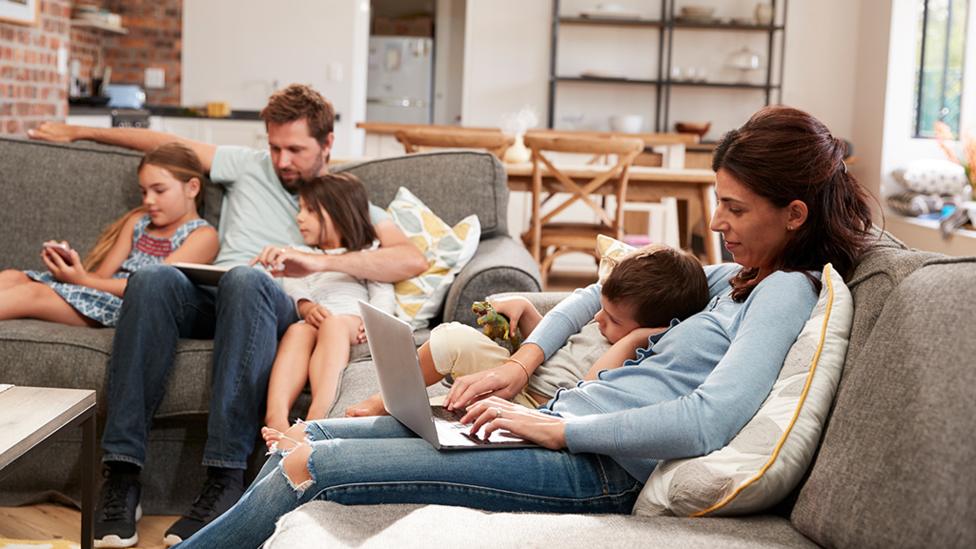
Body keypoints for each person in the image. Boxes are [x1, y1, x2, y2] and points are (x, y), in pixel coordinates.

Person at [172, 105, 875, 549]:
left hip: (596, 469)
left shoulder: (786, 290)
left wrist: (553, 426)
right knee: (316, 430)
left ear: (794, 213)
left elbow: (705, 421)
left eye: (735, 209)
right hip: (551, 427)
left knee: (311, 462)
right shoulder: (731, 278)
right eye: (718, 203)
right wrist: (517, 368)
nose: (717, 222)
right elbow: (595, 292)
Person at [28, 84, 427, 548]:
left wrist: (317, 262)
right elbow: (164, 146)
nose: (282, 161)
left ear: (327, 145)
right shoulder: (244, 164)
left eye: (295, 150)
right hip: (208, 293)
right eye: (275, 147)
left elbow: (409, 258)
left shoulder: (343, 199)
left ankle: (224, 479)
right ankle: (121, 473)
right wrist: (76, 131)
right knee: (155, 278)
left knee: (244, 279)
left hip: (270, 301)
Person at [343, 244, 708, 418]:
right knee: (452, 336)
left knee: (450, 384)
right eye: (602, 309)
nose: (599, 320)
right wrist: (529, 314)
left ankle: (402, 408)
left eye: (613, 321)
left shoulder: (636, 350)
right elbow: (556, 346)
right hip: (521, 375)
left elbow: (592, 390)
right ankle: (386, 399)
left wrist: (631, 340)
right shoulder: (609, 319)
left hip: (535, 407)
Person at [0, 142, 218, 327]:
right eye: (144, 191)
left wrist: (82, 280)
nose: (148, 200)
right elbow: (102, 276)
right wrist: (71, 267)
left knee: (32, 294)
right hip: (99, 290)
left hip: (129, 305)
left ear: (192, 188)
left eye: (159, 191)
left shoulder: (202, 235)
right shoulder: (138, 222)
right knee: (13, 276)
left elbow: (153, 287)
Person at [262, 172, 395, 441]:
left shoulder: (366, 253)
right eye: (300, 209)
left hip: (351, 319)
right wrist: (307, 307)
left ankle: (315, 418)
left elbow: (383, 290)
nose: (299, 217)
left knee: (333, 324)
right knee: (298, 330)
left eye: (310, 210)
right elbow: (292, 284)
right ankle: (276, 417)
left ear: (338, 212)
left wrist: (373, 323)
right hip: (315, 318)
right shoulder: (299, 253)